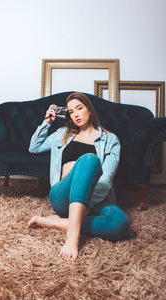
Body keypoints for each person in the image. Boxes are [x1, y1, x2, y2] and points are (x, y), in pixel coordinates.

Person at [28, 92, 130, 262]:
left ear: (89, 110)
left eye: (79, 108)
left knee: (120, 223)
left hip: (94, 198)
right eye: (71, 111)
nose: (75, 114)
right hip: (63, 197)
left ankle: (54, 222)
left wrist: (86, 206)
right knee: (89, 160)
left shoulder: (110, 140)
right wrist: (47, 122)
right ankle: (72, 237)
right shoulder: (62, 134)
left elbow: (105, 181)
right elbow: (34, 147)